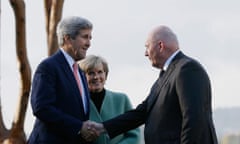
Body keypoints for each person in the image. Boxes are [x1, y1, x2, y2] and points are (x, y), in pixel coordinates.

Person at [88, 25, 218, 144]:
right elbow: (142, 113)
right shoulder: (166, 75)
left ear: (160, 46)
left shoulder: (187, 69)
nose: (145, 53)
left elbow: (194, 120)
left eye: (147, 47)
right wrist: (103, 127)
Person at [28, 16, 96, 144]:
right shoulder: (48, 67)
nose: (89, 43)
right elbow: (42, 108)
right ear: (68, 38)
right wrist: (79, 127)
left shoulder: (80, 72)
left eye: (90, 38)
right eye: (85, 37)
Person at [78, 55, 141, 144]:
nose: (96, 77)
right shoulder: (77, 102)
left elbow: (135, 135)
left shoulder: (122, 99)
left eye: (100, 72)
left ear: (105, 74)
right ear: (82, 77)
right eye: (91, 73)